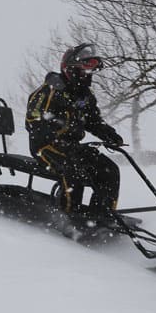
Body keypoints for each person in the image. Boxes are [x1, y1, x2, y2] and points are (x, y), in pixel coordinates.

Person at [25, 43, 125, 214]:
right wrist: (53, 131)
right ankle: (69, 215)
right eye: (84, 72)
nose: (87, 76)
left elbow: (93, 121)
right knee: (73, 169)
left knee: (109, 169)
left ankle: (102, 213)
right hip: (45, 146)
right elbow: (33, 119)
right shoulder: (50, 90)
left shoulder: (84, 95)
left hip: (73, 147)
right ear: (71, 70)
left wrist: (109, 134)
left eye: (89, 72)